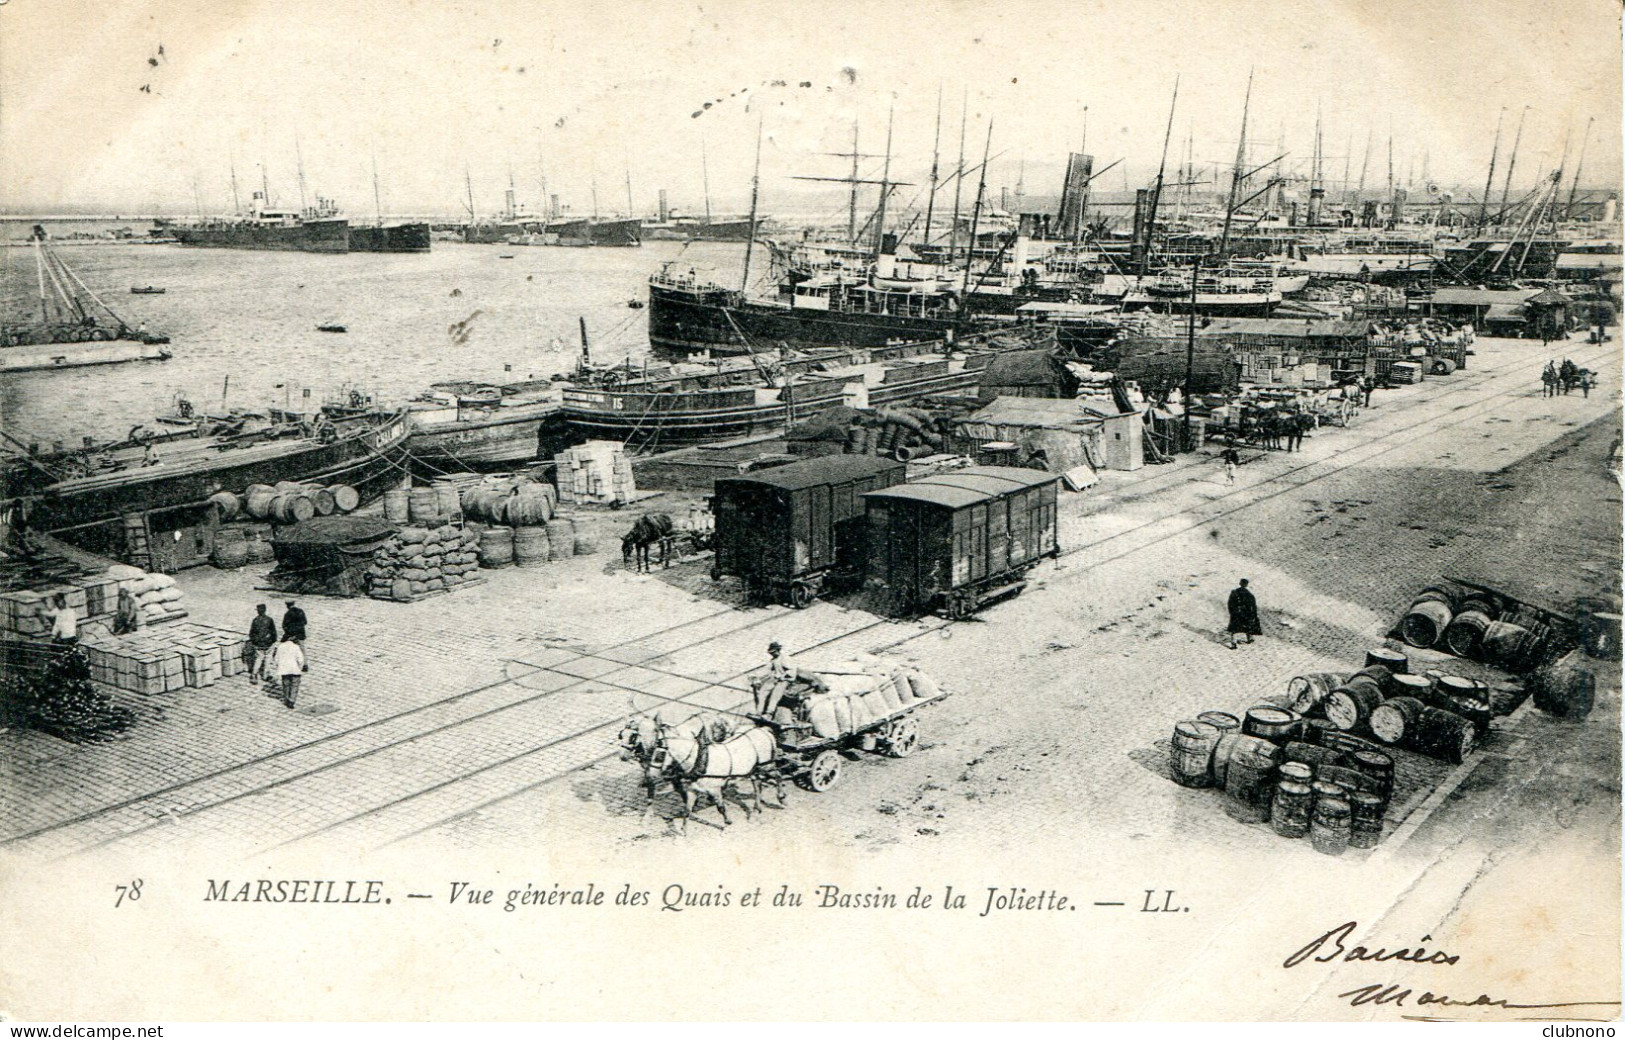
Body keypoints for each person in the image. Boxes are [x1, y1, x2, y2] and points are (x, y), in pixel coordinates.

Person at [756, 641, 798, 717]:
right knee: (763, 691)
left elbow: (791, 670)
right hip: (775, 679)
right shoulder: (773, 660)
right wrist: (757, 676)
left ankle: (769, 713)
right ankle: (759, 712)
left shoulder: (785, 658)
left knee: (775, 694)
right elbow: (767, 669)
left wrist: (783, 676)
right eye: (771, 653)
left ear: (778, 650)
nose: (772, 654)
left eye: (773, 652)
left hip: (785, 680)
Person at [273, 632, 307, 709]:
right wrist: (300, 667)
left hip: (284, 669)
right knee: (294, 685)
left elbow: (276, 659)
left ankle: (286, 698)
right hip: (294, 669)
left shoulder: (280, 647)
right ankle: (291, 700)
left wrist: (279, 666)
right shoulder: (296, 647)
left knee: (286, 685)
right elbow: (301, 659)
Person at [1226, 578, 1262, 650]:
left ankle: (1234, 643)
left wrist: (1232, 612)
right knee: (1247, 626)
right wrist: (1253, 615)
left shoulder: (1235, 592)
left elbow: (1230, 603)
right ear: (1247, 585)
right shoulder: (1249, 594)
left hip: (1236, 613)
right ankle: (1249, 639)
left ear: (1240, 583)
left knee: (1234, 629)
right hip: (1246, 614)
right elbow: (1253, 606)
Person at [248, 603, 278, 681]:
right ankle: (266, 675)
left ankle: (254, 675)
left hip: (259, 644)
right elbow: (273, 632)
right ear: (265, 610)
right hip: (268, 643)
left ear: (257, 611)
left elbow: (251, 633)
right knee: (268, 658)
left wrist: (255, 642)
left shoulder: (255, 620)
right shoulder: (269, 619)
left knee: (258, 658)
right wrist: (273, 641)